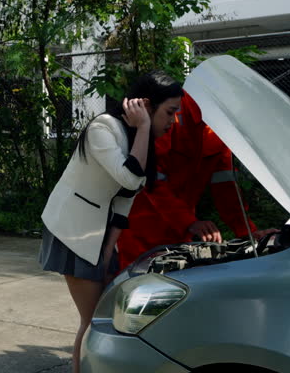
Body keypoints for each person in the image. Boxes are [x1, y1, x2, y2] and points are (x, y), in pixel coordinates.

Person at [38, 72, 183, 373]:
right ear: (146, 105)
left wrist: (109, 250)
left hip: (100, 233)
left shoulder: (140, 140)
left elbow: (127, 197)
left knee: (106, 318)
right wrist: (144, 126)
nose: (174, 120)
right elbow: (129, 178)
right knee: (93, 321)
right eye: (170, 112)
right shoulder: (103, 128)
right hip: (74, 230)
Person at [117, 92, 277, 271]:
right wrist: (188, 221)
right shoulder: (171, 111)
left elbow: (226, 186)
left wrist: (247, 232)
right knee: (135, 282)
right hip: (141, 228)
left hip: (181, 230)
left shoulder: (219, 126)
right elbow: (151, 178)